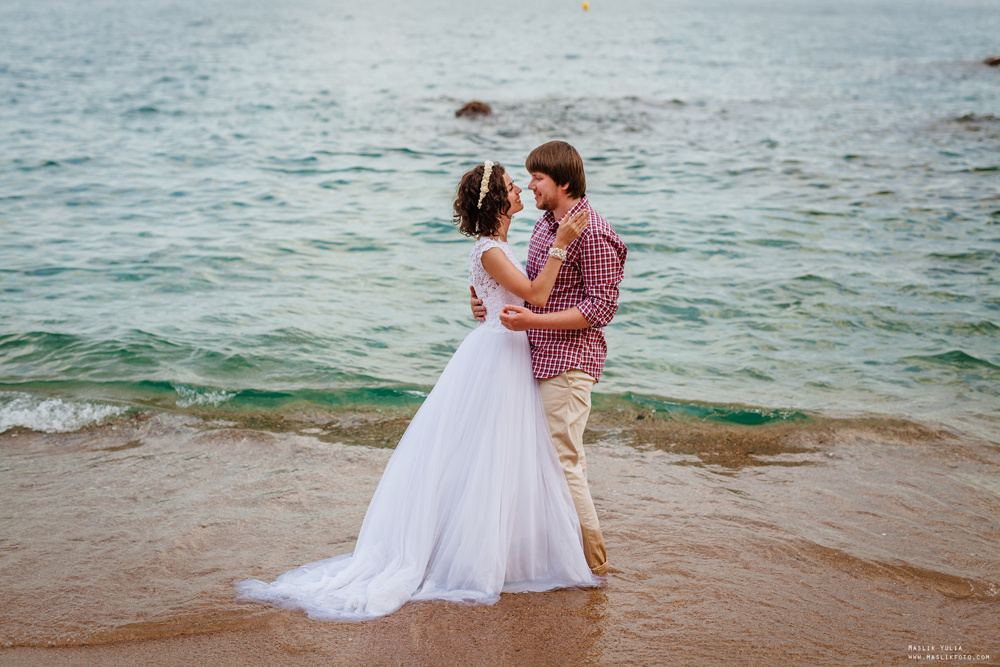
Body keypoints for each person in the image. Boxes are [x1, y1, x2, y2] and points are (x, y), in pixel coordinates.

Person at [234, 161, 600, 621]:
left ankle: (506, 553)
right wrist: (561, 245)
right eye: (512, 187)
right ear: (497, 201)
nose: (521, 191)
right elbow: (537, 295)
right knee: (485, 456)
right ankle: (480, 554)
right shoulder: (491, 249)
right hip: (498, 355)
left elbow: (506, 294)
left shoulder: (498, 248)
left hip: (505, 351)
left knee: (496, 457)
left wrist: (486, 300)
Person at [471, 141, 627, 577]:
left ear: (564, 183)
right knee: (544, 462)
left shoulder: (594, 233)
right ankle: (554, 560)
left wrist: (533, 322)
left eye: (537, 178)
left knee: (562, 463)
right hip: (536, 357)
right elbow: (526, 286)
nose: (530, 186)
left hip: (570, 361)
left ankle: (594, 565)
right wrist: (486, 302)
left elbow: (601, 309)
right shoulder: (545, 225)